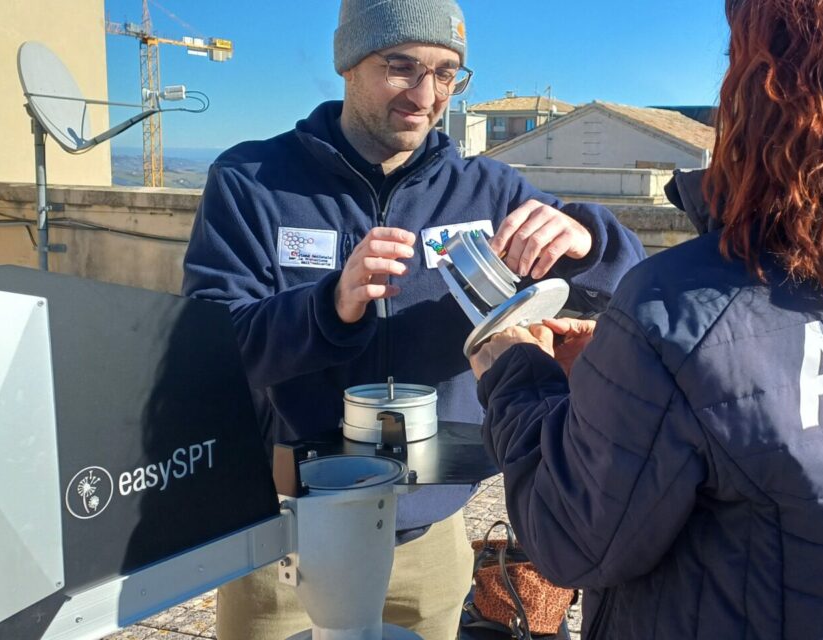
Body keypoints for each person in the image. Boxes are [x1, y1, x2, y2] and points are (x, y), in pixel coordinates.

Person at [470, 0, 823, 637]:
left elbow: (569, 539)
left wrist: (514, 374)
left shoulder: (678, 313)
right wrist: (627, 382)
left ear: (768, 88)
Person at [181, 0, 644, 637]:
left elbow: (623, 290)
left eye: (447, 73)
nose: (425, 95)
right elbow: (207, 348)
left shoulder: (489, 190)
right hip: (289, 536)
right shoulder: (252, 182)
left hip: (430, 542)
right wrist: (329, 306)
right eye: (401, 66)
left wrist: (589, 241)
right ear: (348, 62)